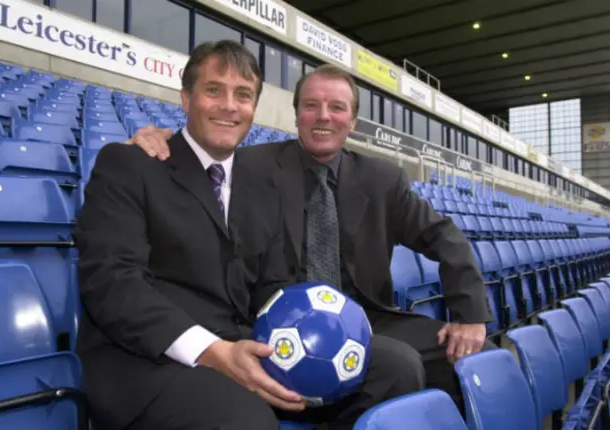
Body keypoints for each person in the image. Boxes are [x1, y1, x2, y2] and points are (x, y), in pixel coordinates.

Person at [74, 40, 425, 430]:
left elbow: (272, 285)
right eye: (213, 90)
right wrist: (211, 350)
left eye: (243, 95)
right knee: (247, 420)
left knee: (396, 367)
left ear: (253, 109)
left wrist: (326, 325)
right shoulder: (130, 164)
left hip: (242, 342)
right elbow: (111, 282)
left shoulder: (259, 185)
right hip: (150, 360)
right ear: (186, 99)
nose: (229, 105)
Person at [125, 62, 497, 410]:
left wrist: (469, 314)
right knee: (400, 366)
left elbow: (443, 235)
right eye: (311, 105)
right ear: (297, 114)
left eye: (336, 107)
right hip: (277, 321)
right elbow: (195, 159)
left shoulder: (382, 180)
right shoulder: (249, 165)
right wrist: (157, 144)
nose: (323, 116)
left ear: (352, 121)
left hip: (362, 316)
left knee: (470, 355)